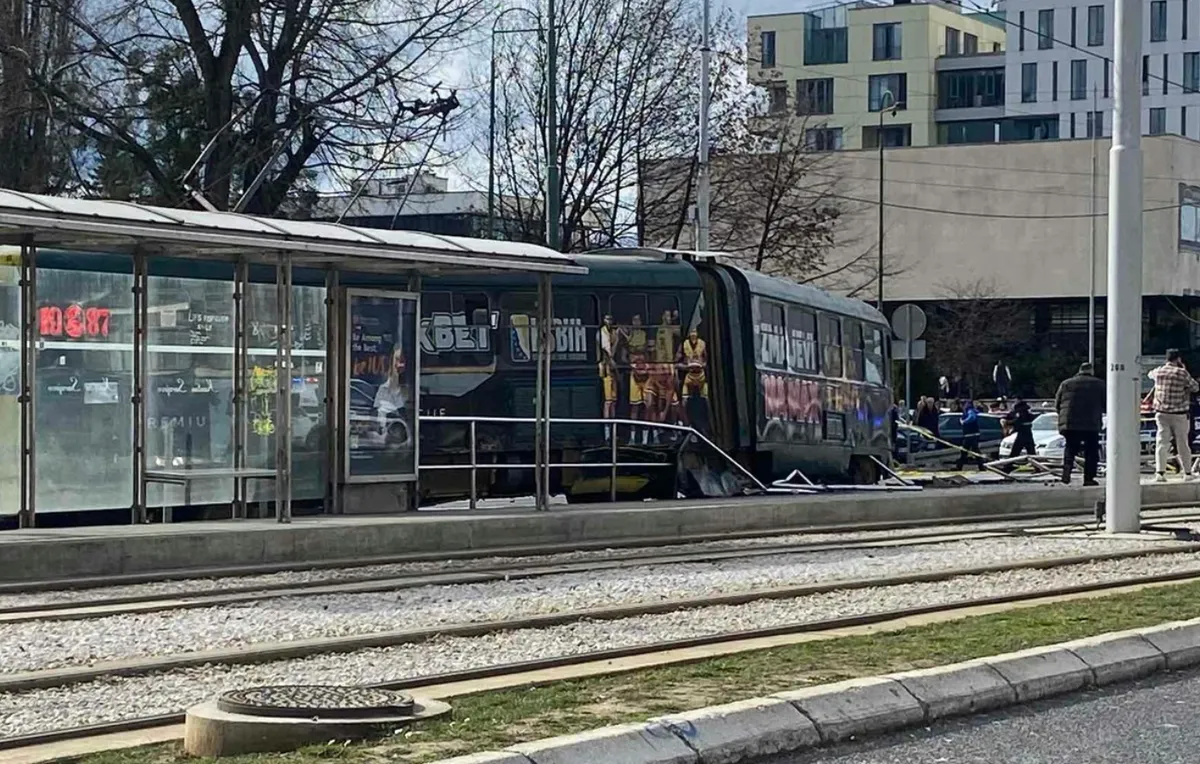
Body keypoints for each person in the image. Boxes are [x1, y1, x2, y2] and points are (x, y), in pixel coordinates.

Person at [1145, 349, 1199, 482]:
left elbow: (1149, 374)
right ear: (1178, 359)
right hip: (1179, 414)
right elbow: (1195, 387)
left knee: (1162, 442)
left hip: (1161, 413)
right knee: (1182, 443)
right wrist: (1183, 370)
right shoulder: (1182, 373)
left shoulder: (1159, 372)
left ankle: (1160, 473)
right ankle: (1187, 473)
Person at [1055, 362, 1105, 486]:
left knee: (1070, 449)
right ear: (1091, 371)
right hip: (1091, 423)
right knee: (1091, 451)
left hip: (1070, 423)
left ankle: (1066, 474)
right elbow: (1106, 404)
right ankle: (1088, 478)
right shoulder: (1099, 384)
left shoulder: (1066, 383)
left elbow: (1058, 404)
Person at [954, 399, 985, 471]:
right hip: (971, 434)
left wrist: (963, 422)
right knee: (971, 451)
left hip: (971, 435)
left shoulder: (969, 410)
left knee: (966, 451)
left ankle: (959, 467)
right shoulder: (970, 410)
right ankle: (981, 466)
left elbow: (972, 417)